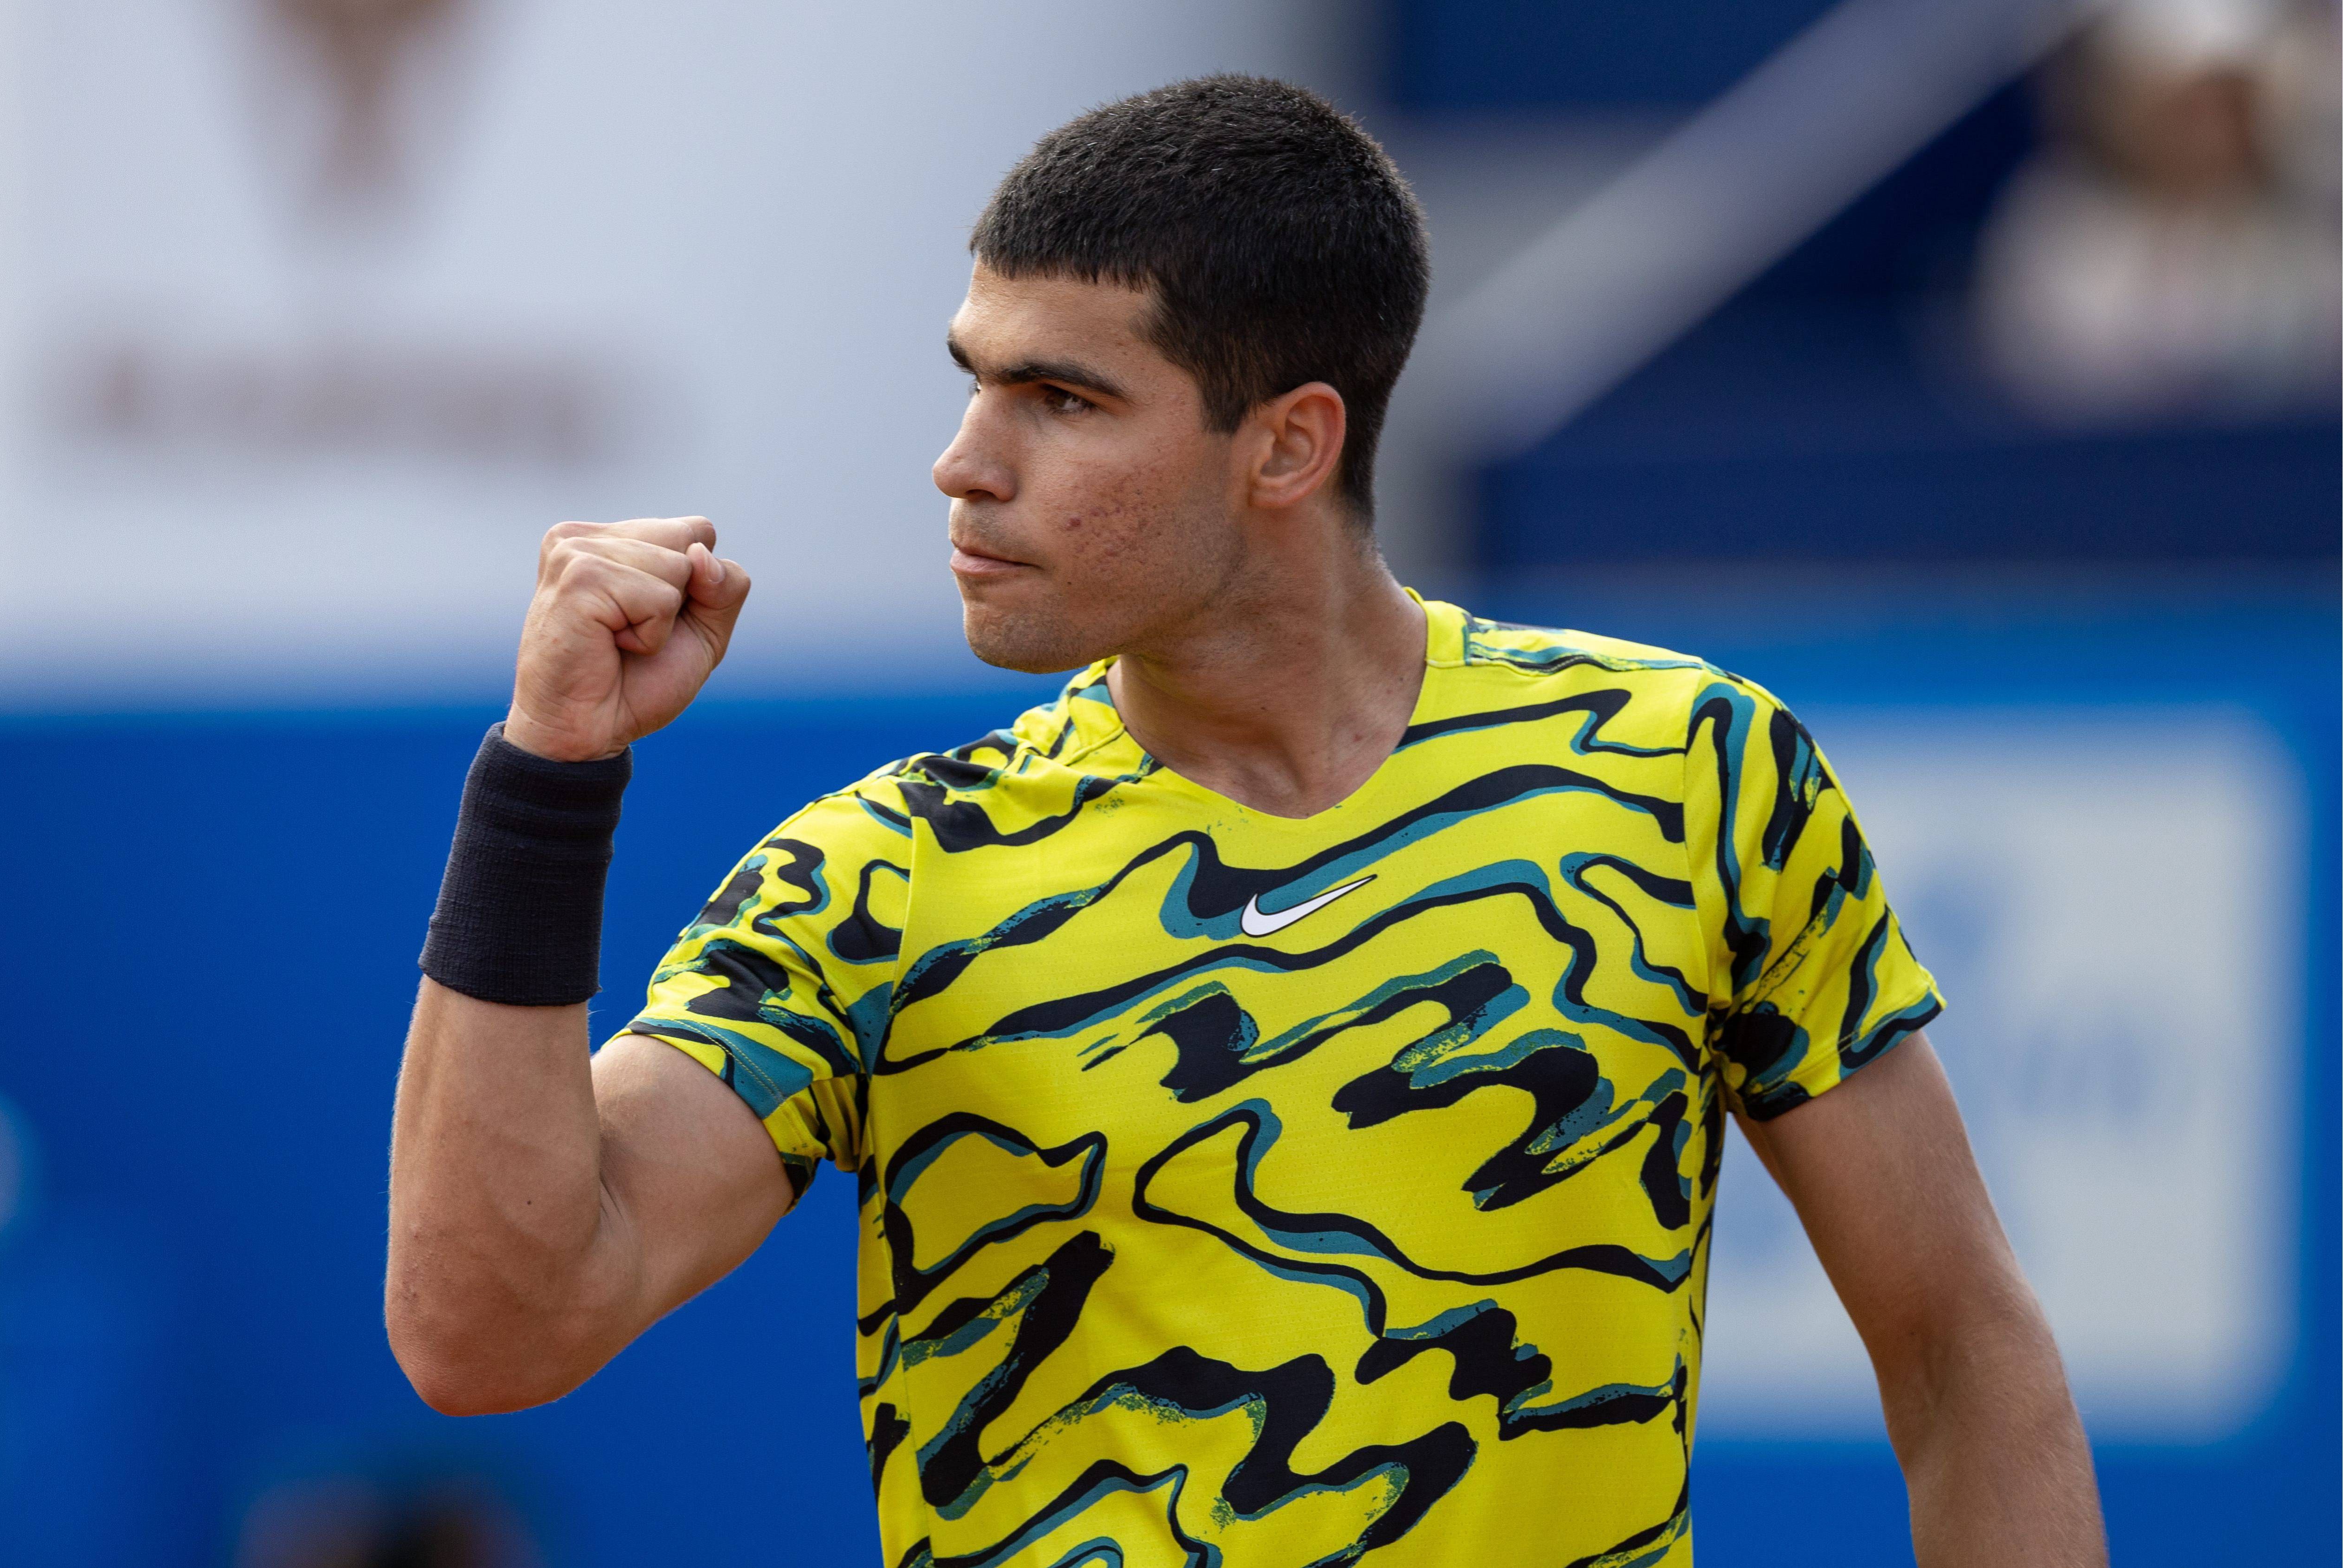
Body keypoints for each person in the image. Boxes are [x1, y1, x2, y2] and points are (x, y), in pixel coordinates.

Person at [386, 76, 2107, 1568]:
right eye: (974, 380)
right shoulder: (887, 873)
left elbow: (1963, 1355)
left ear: (1286, 448)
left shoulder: (1691, 773)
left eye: (1061, 400)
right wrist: (546, 779)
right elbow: (490, 1329)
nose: (964, 463)